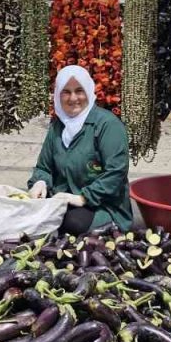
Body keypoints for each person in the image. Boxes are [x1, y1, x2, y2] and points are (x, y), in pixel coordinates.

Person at [26, 65, 132, 235]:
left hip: (102, 205)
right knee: (29, 210)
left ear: (89, 91)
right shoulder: (58, 127)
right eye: (66, 92)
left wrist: (82, 198)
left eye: (79, 91)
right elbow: (44, 167)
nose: (73, 98)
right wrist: (40, 182)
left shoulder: (107, 125)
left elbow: (116, 172)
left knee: (70, 222)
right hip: (62, 200)